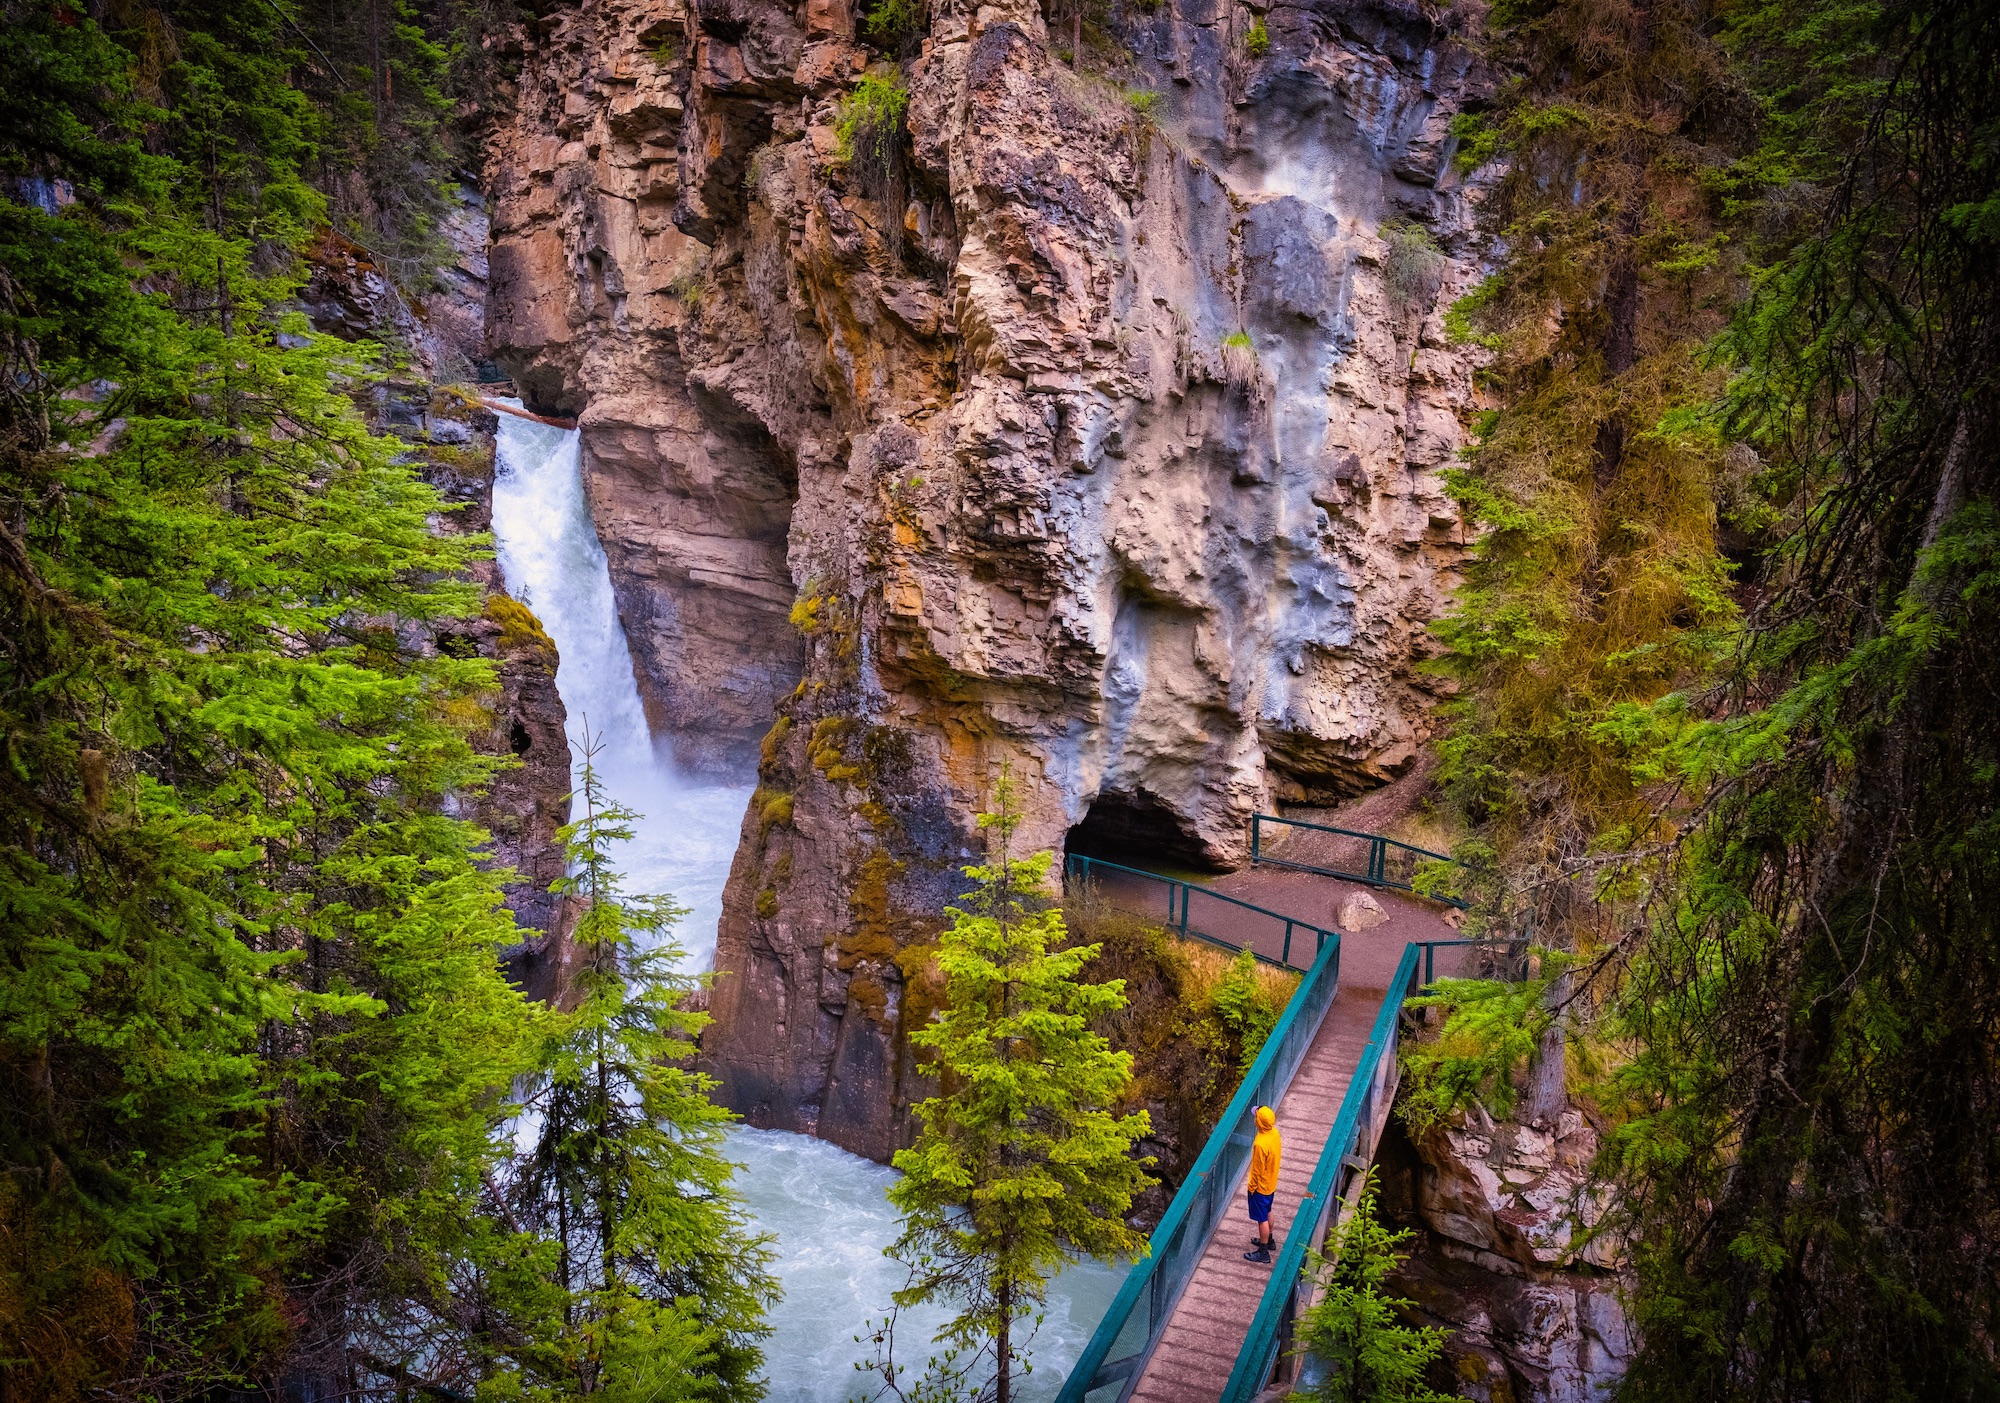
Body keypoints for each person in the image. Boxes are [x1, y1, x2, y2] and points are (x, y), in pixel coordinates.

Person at [1243, 1104, 1282, 1263]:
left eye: (1256, 1116)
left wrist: (1252, 1187)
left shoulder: (1260, 1144)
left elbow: (1257, 1170)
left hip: (1261, 1187)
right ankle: (1270, 1240)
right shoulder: (1274, 1133)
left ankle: (1263, 1252)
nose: (1254, 1118)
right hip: (1270, 1183)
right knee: (1268, 1210)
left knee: (1261, 1219)